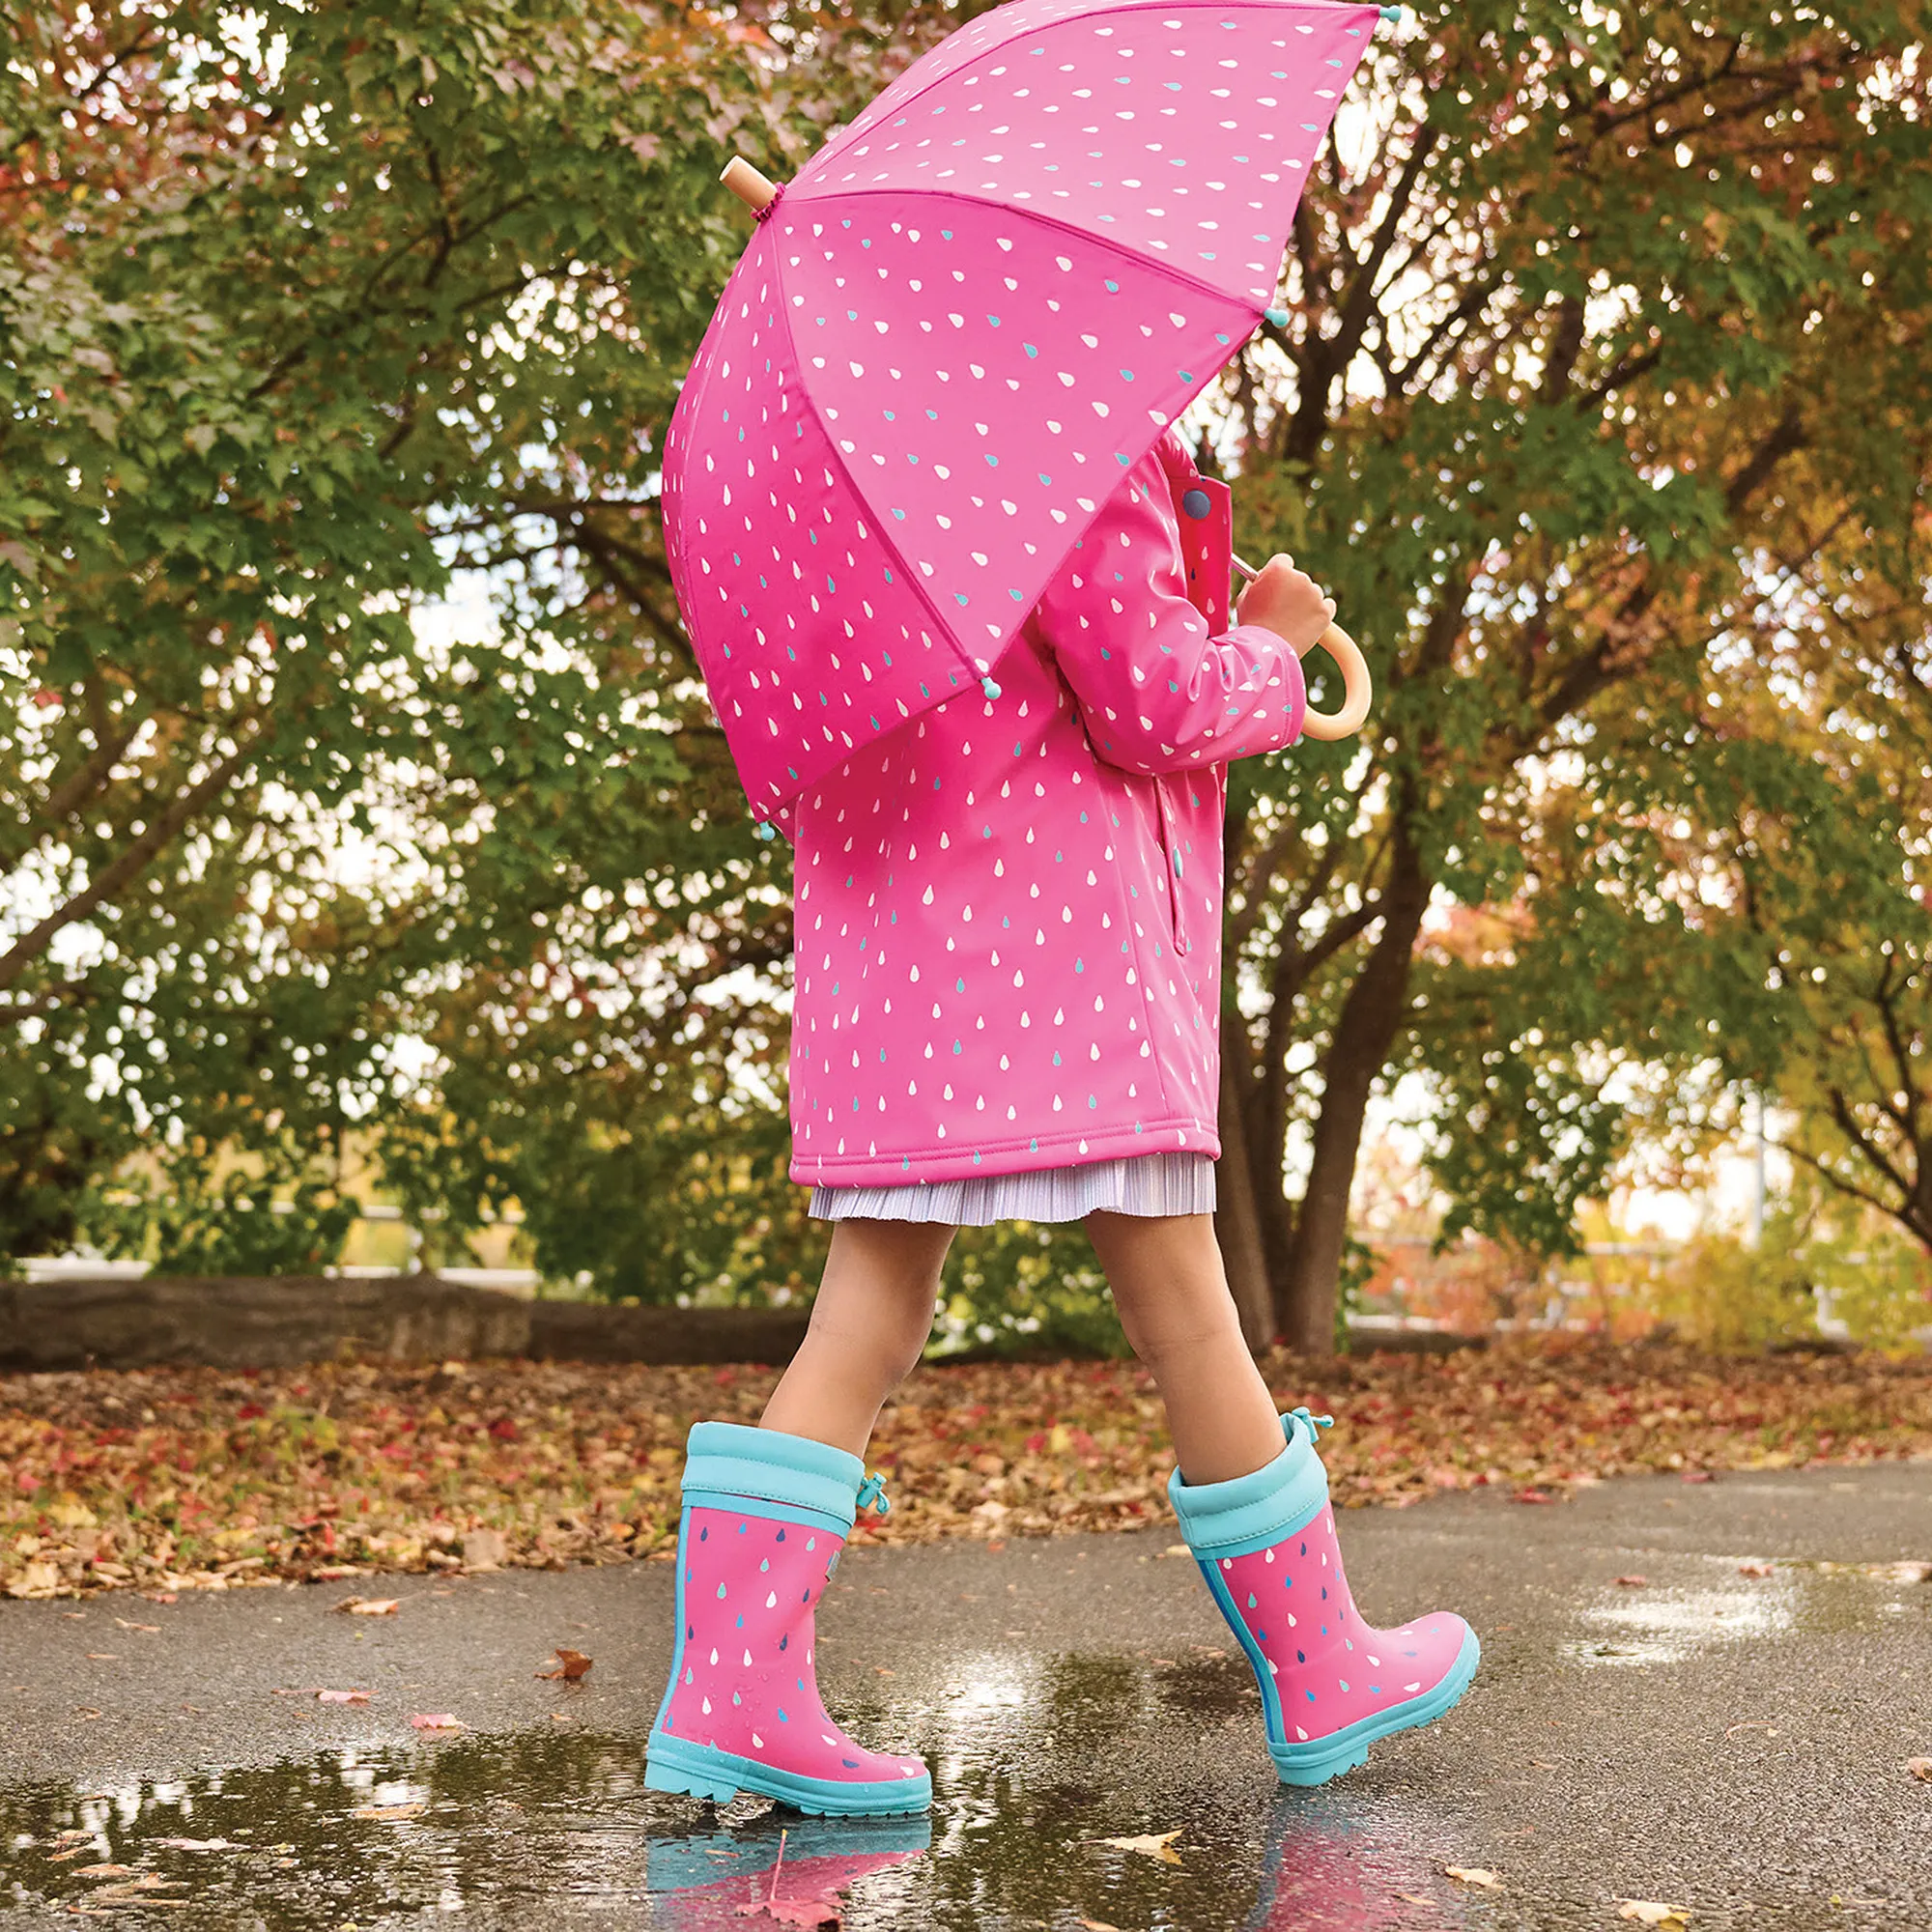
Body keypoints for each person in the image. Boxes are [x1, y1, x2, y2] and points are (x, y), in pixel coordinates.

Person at [642, 425, 1478, 1818]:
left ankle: (732, 1698)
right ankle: (1322, 1664)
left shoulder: (862, 467)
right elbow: (1145, 699)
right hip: (1061, 954)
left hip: (896, 953)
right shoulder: (1056, 441)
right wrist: (1266, 650)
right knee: (1188, 1310)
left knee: (865, 1317)